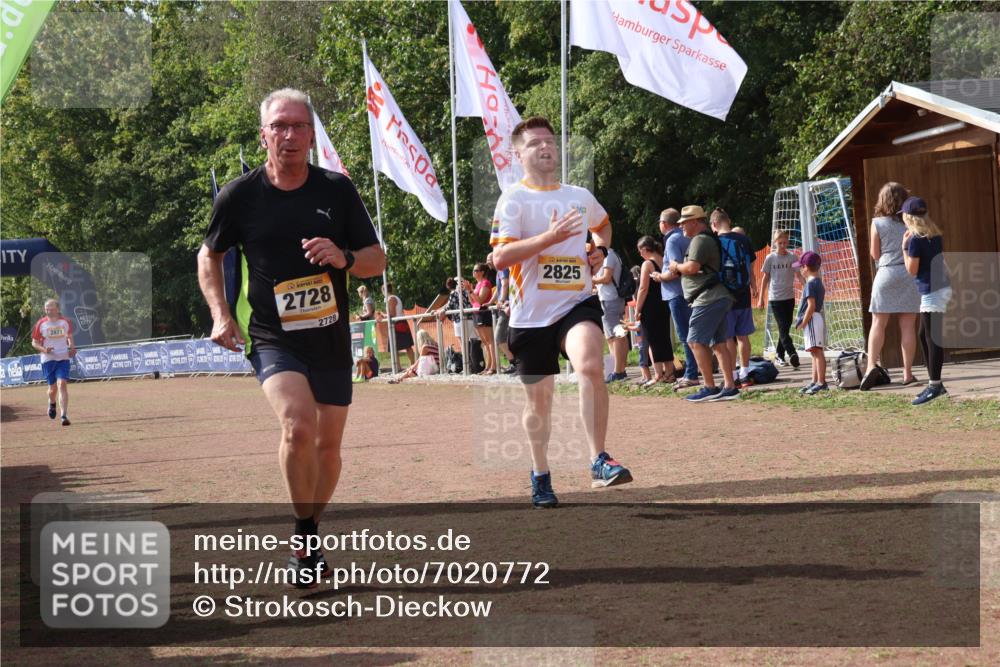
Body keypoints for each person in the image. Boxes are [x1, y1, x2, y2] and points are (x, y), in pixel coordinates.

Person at [197, 88, 386, 586]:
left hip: (330, 337)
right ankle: (305, 538)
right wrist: (220, 314)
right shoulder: (239, 196)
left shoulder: (336, 190)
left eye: (299, 126)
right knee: (298, 427)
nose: (289, 135)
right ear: (264, 136)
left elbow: (375, 259)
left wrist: (343, 257)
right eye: (279, 126)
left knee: (327, 448)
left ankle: (307, 533)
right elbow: (208, 255)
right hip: (271, 335)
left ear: (311, 134)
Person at [491, 115, 633, 508]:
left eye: (549, 140)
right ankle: (540, 473)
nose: (545, 147)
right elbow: (500, 257)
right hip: (529, 316)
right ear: (519, 154)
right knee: (539, 404)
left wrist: (598, 250)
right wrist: (550, 238)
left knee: (590, 365)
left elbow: (603, 225)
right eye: (535, 143)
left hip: (575, 303)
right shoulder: (513, 199)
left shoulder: (579, 195)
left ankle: (598, 460)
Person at [668, 205, 738, 402]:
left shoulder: (699, 240)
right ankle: (729, 386)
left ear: (695, 222)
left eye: (684, 223)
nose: (681, 227)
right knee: (718, 343)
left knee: (694, 341)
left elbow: (692, 267)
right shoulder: (704, 238)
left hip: (708, 298)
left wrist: (675, 266)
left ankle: (709, 386)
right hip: (716, 296)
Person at [861, 182, 920, 390]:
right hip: (908, 274)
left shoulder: (877, 223)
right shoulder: (911, 222)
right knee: (907, 326)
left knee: (878, 323)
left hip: (885, 273)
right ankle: (908, 374)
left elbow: (874, 255)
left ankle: (870, 367)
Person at [902, 196, 951, 405]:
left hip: (933, 291)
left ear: (909, 217)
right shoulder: (934, 235)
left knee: (932, 338)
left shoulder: (914, 240)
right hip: (941, 287)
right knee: (924, 334)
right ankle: (934, 382)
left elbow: (912, 271)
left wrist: (904, 248)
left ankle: (935, 385)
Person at [651, 208, 699, 389]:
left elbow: (674, 269)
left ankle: (691, 373)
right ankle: (696, 370)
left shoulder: (672, 240)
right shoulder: (687, 236)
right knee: (693, 333)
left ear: (664, 224)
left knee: (685, 335)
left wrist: (659, 276)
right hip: (690, 291)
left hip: (676, 293)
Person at [710, 209, 757, 387]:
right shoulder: (743, 239)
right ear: (728, 221)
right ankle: (745, 373)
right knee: (743, 336)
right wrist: (754, 286)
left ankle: (733, 375)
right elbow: (750, 267)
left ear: (714, 224)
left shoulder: (715, 242)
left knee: (728, 337)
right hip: (743, 292)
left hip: (724, 295)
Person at [634, 235, 675, 387]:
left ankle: (658, 374)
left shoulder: (647, 264)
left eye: (640, 251)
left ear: (645, 249)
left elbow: (643, 288)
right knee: (664, 338)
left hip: (650, 306)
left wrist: (638, 309)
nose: (640, 254)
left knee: (652, 340)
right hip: (664, 302)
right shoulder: (663, 259)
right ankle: (670, 373)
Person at [757, 229, 800, 368]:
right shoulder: (770, 258)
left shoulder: (793, 257)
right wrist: (761, 298)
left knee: (785, 328)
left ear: (787, 241)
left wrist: (807, 286)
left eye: (784, 242)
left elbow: (798, 273)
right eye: (779, 243)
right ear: (775, 243)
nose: (782, 245)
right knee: (782, 327)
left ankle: (779, 356)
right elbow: (765, 277)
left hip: (789, 297)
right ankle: (792, 353)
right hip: (775, 298)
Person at [31, 298, 76, 426]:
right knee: (52, 390)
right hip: (48, 359)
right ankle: (52, 403)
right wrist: (45, 349)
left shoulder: (65, 322)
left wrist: (72, 347)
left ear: (57, 309)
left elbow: (69, 336)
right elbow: (34, 342)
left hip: (63, 357)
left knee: (62, 384)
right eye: (46, 309)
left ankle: (64, 415)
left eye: (51, 308)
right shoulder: (41, 324)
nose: (48, 311)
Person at [590, 244, 629, 382]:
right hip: (615, 299)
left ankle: (617, 371)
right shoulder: (614, 255)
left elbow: (606, 278)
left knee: (613, 337)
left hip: (609, 300)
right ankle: (621, 369)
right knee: (619, 335)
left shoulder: (608, 256)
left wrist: (591, 280)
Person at [793, 251, 828, 394]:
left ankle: (821, 382)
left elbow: (811, 305)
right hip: (814, 318)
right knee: (814, 352)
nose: (801, 269)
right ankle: (815, 381)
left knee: (817, 352)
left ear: (806, 267)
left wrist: (803, 322)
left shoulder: (810, 284)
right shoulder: (817, 282)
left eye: (801, 266)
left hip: (812, 319)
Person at [488, 252, 516, 373]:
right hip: (504, 307)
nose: (488, 261)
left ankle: (514, 363)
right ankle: (515, 363)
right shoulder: (499, 271)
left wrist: (502, 300)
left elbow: (505, 284)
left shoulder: (503, 268)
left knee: (499, 337)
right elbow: (498, 289)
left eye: (490, 259)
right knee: (508, 337)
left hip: (506, 307)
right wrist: (490, 302)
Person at [470, 262, 497, 375]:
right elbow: (473, 301)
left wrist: (471, 291)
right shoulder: (477, 285)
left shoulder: (485, 283)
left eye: (476, 270)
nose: (473, 272)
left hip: (484, 313)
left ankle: (494, 367)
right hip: (476, 313)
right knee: (485, 342)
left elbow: (481, 300)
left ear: (482, 272)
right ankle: (488, 366)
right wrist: (469, 291)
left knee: (489, 341)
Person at [384, 283, 415, 370]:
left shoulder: (391, 298)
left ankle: (402, 367)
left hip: (397, 324)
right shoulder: (394, 297)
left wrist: (383, 315)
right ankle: (408, 366)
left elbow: (392, 314)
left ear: (384, 290)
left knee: (399, 347)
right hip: (399, 323)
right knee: (405, 346)